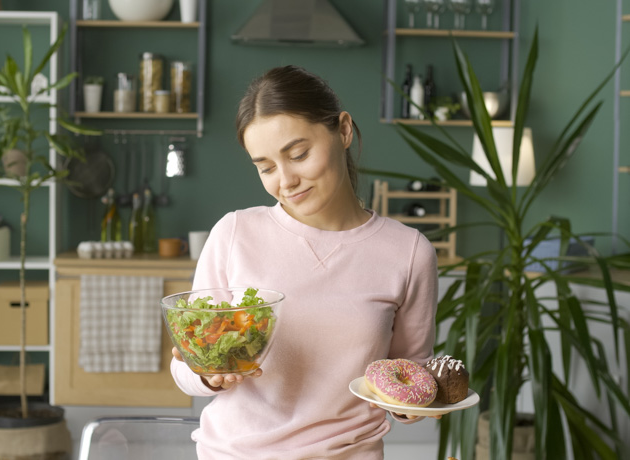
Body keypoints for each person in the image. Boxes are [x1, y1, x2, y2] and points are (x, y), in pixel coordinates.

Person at [171, 65, 438, 459]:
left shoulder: (408, 251)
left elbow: (411, 376)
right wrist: (206, 374)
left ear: (343, 131)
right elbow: (185, 369)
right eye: (265, 167)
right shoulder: (234, 234)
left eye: (298, 154)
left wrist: (416, 405)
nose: (286, 180)